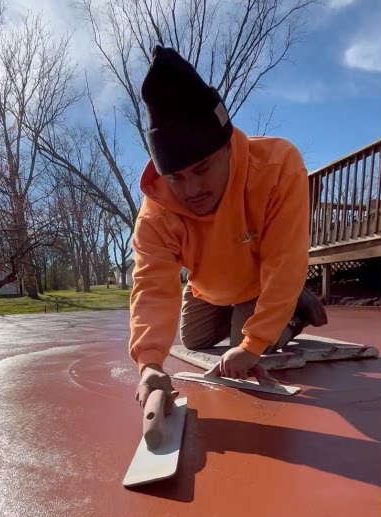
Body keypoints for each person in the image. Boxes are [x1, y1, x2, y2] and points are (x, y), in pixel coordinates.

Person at [129, 46, 327, 417]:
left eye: (202, 169)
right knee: (194, 340)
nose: (190, 191)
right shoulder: (156, 214)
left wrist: (253, 344)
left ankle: (294, 309)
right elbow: (152, 287)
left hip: (259, 279)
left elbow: (284, 259)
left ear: (226, 148)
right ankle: (250, 313)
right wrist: (150, 364)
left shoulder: (276, 166)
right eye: (176, 178)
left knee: (243, 346)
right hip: (209, 287)